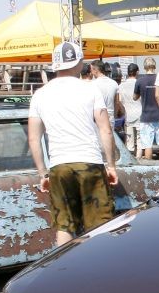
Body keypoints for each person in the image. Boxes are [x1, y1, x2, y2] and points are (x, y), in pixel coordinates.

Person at [27, 41, 118, 247]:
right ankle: (99, 264)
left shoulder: (40, 94)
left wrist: (43, 174)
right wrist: (111, 165)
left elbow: (34, 138)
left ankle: (66, 265)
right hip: (89, 162)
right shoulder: (90, 89)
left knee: (65, 226)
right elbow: (105, 130)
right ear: (79, 63)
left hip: (59, 165)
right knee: (100, 225)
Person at [133, 57, 159, 159]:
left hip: (146, 116)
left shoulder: (140, 81)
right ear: (155, 66)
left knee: (147, 145)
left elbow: (135, 97)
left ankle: (149, 163)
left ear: (144, 67)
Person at [117, 63, 141, 153]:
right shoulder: (139, 83)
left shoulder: (121, 86)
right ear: (137, 72)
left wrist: (122, 111)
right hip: (140, 114)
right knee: (140, 139)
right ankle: (139, 156)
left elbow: (119, 101)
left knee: (129, 140)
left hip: (127, 114)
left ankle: (130, 155)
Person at [90, 60, 121, 128]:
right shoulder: (114, 83)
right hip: (110, 117)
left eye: (91, 70)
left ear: (95, 70)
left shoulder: (92, 84)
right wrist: (114, 116)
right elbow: (117, 102)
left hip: (97, 118)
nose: (91, 72)